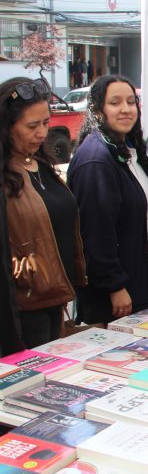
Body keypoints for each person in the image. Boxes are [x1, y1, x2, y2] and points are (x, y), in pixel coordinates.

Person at [1, 77, 86, 347]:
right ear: (6, 127)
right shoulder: (7, 174)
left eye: (46, 123)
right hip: (22, 309)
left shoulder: (41, 163)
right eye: (32, 126)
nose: (42, 133)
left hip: (55, 299)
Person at [68, 75, 148, 324]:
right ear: (97, 111)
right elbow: (95, 231)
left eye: (131, 102)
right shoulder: (96, 159)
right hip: (115, 288)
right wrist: (114, 285)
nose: (126, 109)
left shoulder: (128, 148)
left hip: (141, 270)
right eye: (115, 103)